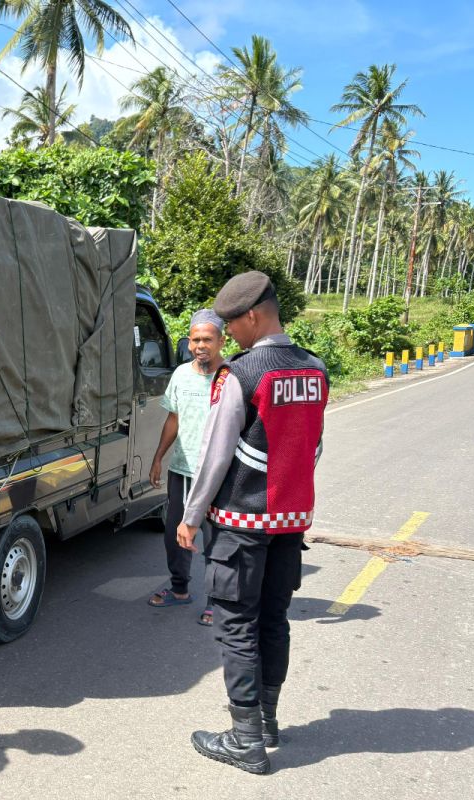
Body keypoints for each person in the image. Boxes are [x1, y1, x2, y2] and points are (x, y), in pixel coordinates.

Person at [177, 271, 328, 775]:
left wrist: (191, 515)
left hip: (241, 523)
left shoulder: (242, 374)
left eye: (231, 325)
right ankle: (265, 721)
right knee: (272, 620)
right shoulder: (314, 368)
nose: (229, 335)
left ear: (254, 316)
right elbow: (313, 447)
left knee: (236, 625)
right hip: (289, 524)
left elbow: (215, 456)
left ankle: (244, 741)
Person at [147, 309, 226, 626]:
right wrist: (158, 457)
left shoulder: (232, 375)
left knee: (215, 540)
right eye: (195, 339)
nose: (200, 345)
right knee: (174, 535)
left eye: (207, 339)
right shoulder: (180, 374)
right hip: (181, 469)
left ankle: (216, 601)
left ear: (221, 340)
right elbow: (173, 419)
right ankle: (179, 589)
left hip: (218, 473)